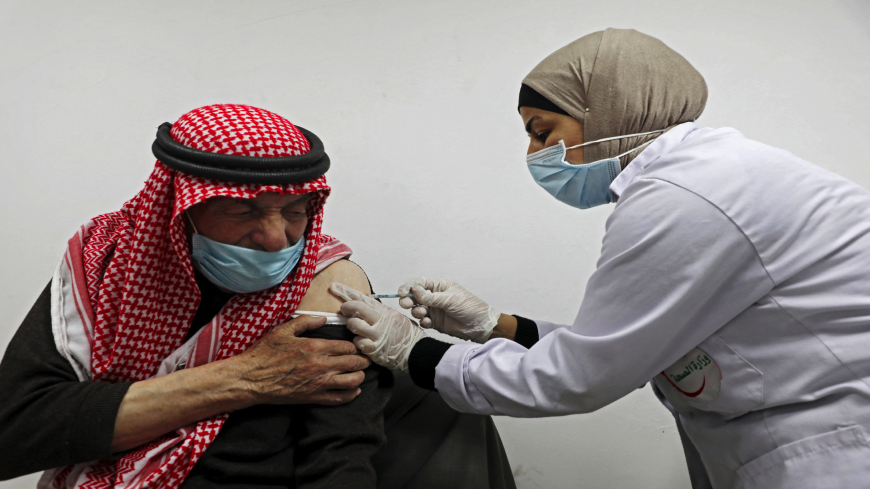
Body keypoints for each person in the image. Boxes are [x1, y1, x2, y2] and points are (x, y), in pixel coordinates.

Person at [330, 28, 870, 489]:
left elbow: (581, 377)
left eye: (544, 132)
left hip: (836, 447)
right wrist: (495, 326)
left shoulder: (685, 197)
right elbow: (633, 347)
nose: (534, 155)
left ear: (607, 107)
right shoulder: (708, 174)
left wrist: (414, 351)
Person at [0, 104, 516, 489]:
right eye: (242, 211)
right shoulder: (108, 265)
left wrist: (495, 325)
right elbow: (15, 431)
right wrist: (246, 377)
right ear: (179, 210)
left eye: (295, 211)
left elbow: (339, 458)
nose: (277, 239)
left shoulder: (326, 281)